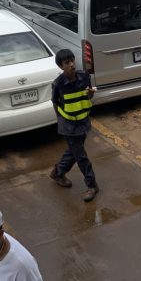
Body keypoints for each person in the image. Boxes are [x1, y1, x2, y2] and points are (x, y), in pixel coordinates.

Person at [49, 49, 98, 202]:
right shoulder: (58, 84)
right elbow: (55, 102)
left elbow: (88, 95)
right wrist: (62, 121)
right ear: (61, 66)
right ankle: (92, 186)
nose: (71, 65)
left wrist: (90, 93)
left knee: (74, 151)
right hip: (69, 126)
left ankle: (58, 172)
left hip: (83, 121)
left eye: (72, 61)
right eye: (67, 63)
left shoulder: (84, 77)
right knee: (81, 156)